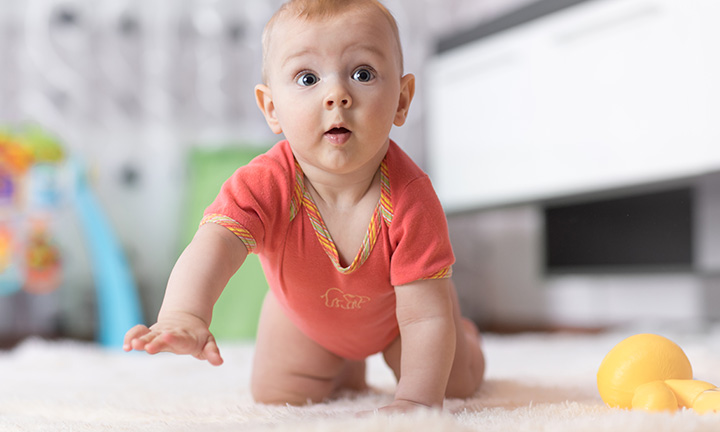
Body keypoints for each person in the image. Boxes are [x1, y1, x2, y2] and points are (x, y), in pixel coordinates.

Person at [124, 0, 485, 413]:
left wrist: (416, 401)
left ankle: (467, 338)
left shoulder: (412, 198)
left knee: (454, 382)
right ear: (272, 108)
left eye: (362, 74)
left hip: (400, 323)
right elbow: (214, 246)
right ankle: (344, 366)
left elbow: (422, 319)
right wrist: (183, 314)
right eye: (308, 78)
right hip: (303, 318)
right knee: (277, 395)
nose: (337, 95)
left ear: (402, 100)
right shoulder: (264, 184)